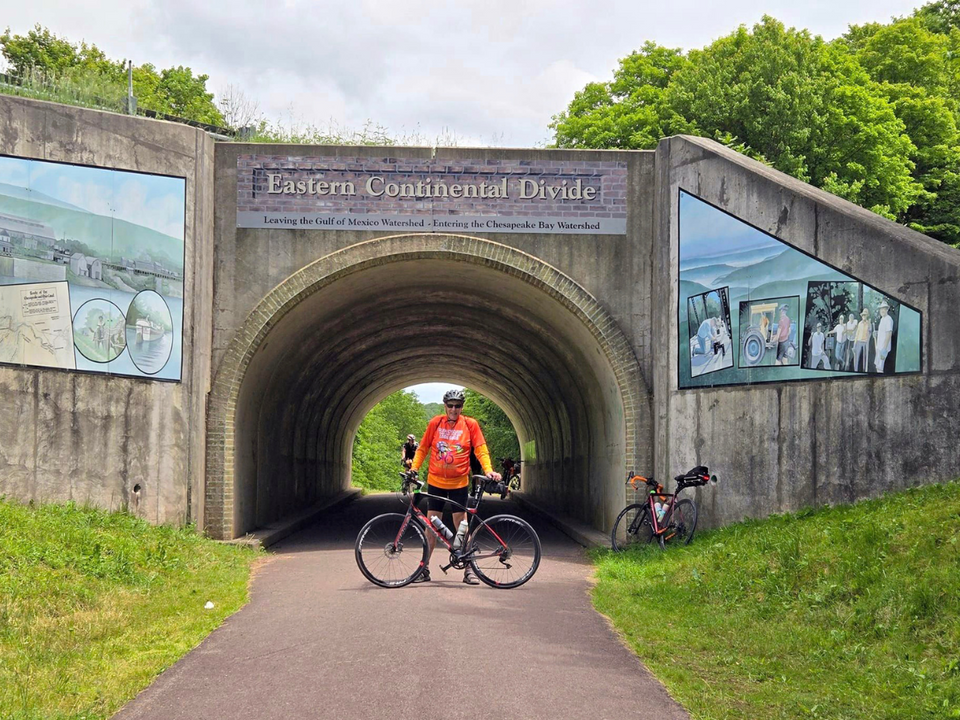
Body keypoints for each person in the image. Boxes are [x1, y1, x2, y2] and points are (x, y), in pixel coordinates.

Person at [407, 389, 501, 585]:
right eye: (450, 405)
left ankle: (469, 569)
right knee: (432, 527)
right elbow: (423, 447)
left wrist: (489, 469)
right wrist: (414, 468)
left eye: (457, 406)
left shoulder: (469, 424)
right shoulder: (436, 422)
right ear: (445, 406)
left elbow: (481, 449)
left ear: (462, 407)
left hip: (459, 483)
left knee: (462, 527)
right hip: (436, 482)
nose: (453, 409)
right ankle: (423, 569)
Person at [875, 301, 895, 373]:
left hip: (883, 348)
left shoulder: (888, 319)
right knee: (877, 366)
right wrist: (876, 333)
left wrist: (884, 348)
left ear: (887, 309)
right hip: (879, 347)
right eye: (881, 309)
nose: (882, 310)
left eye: (884, 308)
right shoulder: (882, 319)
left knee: (880, 368)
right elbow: (882, 332)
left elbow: (889, 333)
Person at [852, 308, 872, 372]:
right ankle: (856, 371)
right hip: (858, 341)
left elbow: (870, 332)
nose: (864, 316)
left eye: (865, 315)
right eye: (863, 315)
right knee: (856, 358)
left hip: (865, 342)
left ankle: (864, 371)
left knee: (864, 358)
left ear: (867, 316)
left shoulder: (869, 324)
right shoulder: (860, 324)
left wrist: (869, 324)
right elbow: (857, 334)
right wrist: (854, 344)